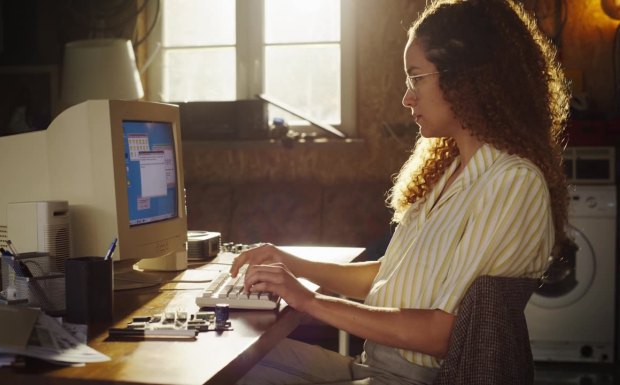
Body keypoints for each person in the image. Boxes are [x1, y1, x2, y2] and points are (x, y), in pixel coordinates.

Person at [231, 0, 570, 383]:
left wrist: (308, 299)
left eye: (417, 78)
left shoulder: (512, 182)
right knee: (237, 359)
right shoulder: (451, 172)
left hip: (411, 379)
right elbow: (385, 276)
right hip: (372, 367)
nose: (407, 97)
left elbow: (441, 334)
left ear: (467, 79)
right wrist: (288, 263)